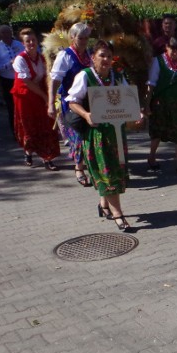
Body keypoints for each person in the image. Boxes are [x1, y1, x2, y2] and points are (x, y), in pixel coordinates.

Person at [66, 40, 135, 232]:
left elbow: (128, 100)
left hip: (116, 133)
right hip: (97, 134)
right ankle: (118, 215)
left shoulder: (118, 76)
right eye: (101, 55)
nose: (106, 59)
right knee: (108, 172)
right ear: (93, 57)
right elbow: (72, 101)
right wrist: (87, 115)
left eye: (109, 56)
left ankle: (104, 205)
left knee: (117, 170)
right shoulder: (85, 76)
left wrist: (135, 114)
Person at [144, 36, 177, 175]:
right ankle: (151, 157)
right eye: (172, 49)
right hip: (161, 104)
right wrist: (147, 105)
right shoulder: (158, 61)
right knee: (157, 132)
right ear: (166, 47)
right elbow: (151, 85)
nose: (175, 52)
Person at [49, 23, 93, 187]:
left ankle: (90, 165)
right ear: (72, 38)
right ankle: (79, 168)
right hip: (71, 103)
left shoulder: (89, 54)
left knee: (90, 135)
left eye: (86, 38)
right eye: (80, 38)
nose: (84, 41)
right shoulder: (65, 56)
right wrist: (51, 104)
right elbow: (54, 81)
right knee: (78, 136)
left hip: (89, 101)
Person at [11, 28, 61, 170]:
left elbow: (48, 76)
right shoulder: (20, 59)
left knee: (46, 123)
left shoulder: (42, 58)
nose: (31, 43)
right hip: (25, 96)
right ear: (23, 43)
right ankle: (28, 151)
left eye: (33, 40)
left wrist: (51, 96)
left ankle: (47, 157)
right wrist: (45, 96)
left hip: (39, 91)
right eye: (28, 41)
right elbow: (27, 82)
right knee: (29, 125)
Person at [0, 25, 24, 134]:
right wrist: (8, 65)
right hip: (7, 80)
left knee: (23, 106)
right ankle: (15, 131)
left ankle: (26, 129)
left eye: (8, 32)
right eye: (3, 33)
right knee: (12, 107)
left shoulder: (18, 44)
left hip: (22, 78)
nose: (6, 35)